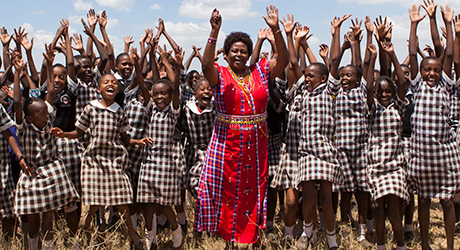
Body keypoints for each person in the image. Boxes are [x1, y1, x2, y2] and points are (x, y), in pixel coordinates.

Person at [194, 5, 288, 245]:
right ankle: (228, 238)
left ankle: (253, 235)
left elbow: (284, 60)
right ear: (226, 55)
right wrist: (214, 32)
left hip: (256, 144)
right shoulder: (221, 75)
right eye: (234, 51)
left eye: (243, 51)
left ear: (249, 54)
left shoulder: (261, 71)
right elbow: (205, 67)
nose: (238, 54)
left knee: (254, 189)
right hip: (227, 142)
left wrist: (276, 29)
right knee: (226, 189)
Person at [51, 71, 153, 249]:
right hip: (94, 161)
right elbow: (79, 132)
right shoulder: (90, 108)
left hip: (114, 160)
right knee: (94, 202)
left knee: (121, 200)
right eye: (106, 82)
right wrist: (63, 134)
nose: (110, 84)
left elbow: (125, 138)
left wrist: (138, 141)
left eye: (113, 82)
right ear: (98, 88)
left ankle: (133, 236)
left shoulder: (119, 111)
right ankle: (84, 234)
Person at [14, 48, 79, 250]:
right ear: (31, 118)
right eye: (42, 113)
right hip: (32, 172)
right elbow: (17, 101)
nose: (47, 115)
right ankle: (33, 246)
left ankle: (58, 245)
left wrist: (49, 66)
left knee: (49, 216)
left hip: (52, 170)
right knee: (33, 218)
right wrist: (17, 74)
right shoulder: (24, 127)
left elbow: (50, 92)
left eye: (46, 111)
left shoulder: (48, 120)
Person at [407, 4, 460, 250]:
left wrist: (448, 23)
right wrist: (415, 23)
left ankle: (450, 245)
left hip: (443, 154)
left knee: (447, 201)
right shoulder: (417, 85)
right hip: (421, 155)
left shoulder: (446, 86)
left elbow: (448, 55)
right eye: (427, 69)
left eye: (436, 70)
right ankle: (425, 244)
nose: (431, 73)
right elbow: (413, 53)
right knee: (424, 201)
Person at [137, 45, 184, 249]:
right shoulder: (152, 110)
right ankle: (150, 239)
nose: (159, 98)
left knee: (165, 205)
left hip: (166, 164)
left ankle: (177, 233)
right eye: (156, 94)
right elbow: (140, 82)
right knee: (148, 204)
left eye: (163, 94)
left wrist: (176, 66)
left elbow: (175, 87)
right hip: (148, 164)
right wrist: (141, 59)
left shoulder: (172, 112)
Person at [366, 42, 409, 250]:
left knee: (393, 208)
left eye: (387, 92)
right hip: (375, 167)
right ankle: (381, 245)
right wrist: (373, 57)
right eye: (380, 92)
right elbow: (367, 88)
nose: (384, 95)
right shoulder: (371, 109)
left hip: (395, 166)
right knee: (378, 209)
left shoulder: (398, 107)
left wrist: (392, 55)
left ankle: (400, 245)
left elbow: (401, 82)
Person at [182, 77, 216, 198]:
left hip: (210, 151)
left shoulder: (215, 109)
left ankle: (209, 206)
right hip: (193, 152)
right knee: (191, 182)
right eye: (202, 89)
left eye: (209, 89)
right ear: (195, 95)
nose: (206, 91)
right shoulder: (187, 109)